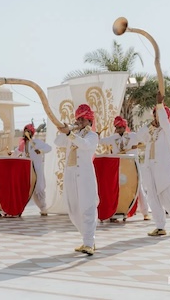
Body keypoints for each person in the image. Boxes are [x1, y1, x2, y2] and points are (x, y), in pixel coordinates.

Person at [135, 93, 170, 236]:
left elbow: (163, 120)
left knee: (166, 197)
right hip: (149, 168)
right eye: (155, 114)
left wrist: (159, 105)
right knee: (152, 196)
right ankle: (160, 226)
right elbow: (139, 136)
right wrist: (150, 126)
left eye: (158, 114)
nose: (156, 117)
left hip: (163, 169)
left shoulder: (168, 129)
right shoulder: (152, 131)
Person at [54, 104, 99, 256]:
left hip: (85, 175)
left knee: (88, 207)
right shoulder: (71, 134)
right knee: (73, 210)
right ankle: (88, 239)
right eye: (78, 118)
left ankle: (88, 242)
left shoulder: (92, 136)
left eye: (82, 118)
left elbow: (85, 145)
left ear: (89, 120)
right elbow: (58, 142)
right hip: (70, 174)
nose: (79, 121)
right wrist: (64, 129)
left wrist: (70, 134)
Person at [99, 116, 150, 221]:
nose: (118, 130)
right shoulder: (113, 138)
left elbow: (145, 139)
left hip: (132, 166)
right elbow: (101, 141)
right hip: (120, 167)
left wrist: (139, 144)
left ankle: (145, 212)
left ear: (124, 127)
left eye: (120, 127)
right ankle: (117, 211)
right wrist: (97, 136)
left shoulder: (133, 136)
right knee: (118, 188)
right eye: (116, 127)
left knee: (138, 188)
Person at [11, 123, 52, 215]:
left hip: (37, 169)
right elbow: (17, 152)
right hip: (26, 170)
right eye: (25, 131)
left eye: (28, 131)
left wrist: (40, 151)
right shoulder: (22, 144)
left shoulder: (37, 142)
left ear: (32, 133)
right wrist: (11, 153)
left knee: (39, 188)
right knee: (25, 189)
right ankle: (19, 209)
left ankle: (43, 208)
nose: (26, 133)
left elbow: (49, 148)